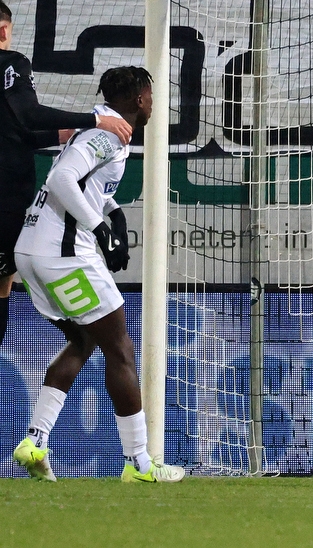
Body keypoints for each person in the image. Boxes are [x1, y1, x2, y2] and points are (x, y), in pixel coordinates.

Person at [12, 66, 184, 483]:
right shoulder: (106, 134)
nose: (154, 102)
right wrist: (99, 227)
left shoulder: (103, 131)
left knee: (85, 339)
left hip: (31, 251)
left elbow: (88, 186)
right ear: (141, 99)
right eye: (152, 93)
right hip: (63, 255)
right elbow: (61, 179)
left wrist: (115, 214)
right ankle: (139, 464)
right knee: (121, 349)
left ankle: (34, 442)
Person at [0, 0, 132, 348]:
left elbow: (17, 133)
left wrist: (61, 136)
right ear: (3, 30)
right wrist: (92, 120)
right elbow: (29, 114)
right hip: (9, 208)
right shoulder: (10, 64)